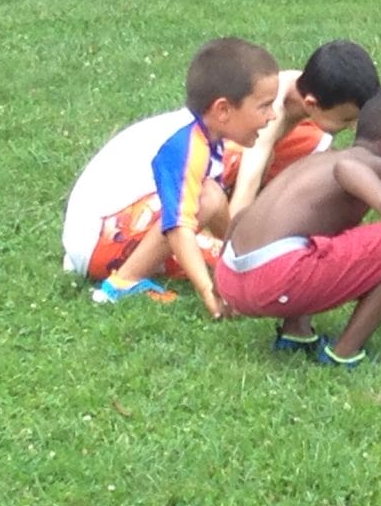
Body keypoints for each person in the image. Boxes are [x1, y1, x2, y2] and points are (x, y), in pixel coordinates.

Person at [216, 90, 381, 367]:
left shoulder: (318, 159)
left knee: (320, 239)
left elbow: (243, 216)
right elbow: (347, 169)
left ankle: (296, 331)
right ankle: (345, 353)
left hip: (231, 275)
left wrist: (219, 283)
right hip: (273, 281)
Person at [62, 37, 280, 316]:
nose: (273, 116)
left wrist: (243, 253)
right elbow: (178, 224)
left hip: (104, 238)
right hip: (99, 243)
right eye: (264, 106)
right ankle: (123, 282)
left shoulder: (203, 134)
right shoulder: (186, 144)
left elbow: (213, 209)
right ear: (223, 110)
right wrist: (208, 292)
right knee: (206, 197)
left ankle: (236, 259)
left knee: (212, 202)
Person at [224, 40, 381, 219]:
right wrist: (231, 233)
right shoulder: (270, 116)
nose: (353, 127)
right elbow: (246, 187)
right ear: (311, 104)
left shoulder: (309, 86)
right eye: (346, 120)